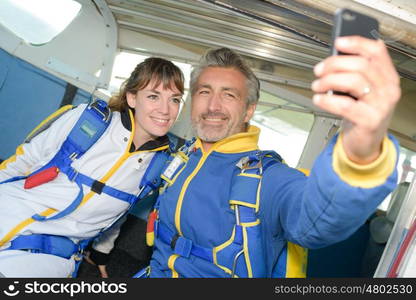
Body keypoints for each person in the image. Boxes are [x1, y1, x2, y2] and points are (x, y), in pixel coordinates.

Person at [144, 36, 401, 277]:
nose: (213, 106)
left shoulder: (267, 178)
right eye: (204, 92)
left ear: (248, 111)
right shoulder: (184, 156)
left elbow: (316, 220)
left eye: (229, 95)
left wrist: (361, 152)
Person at [0, 57, 185, 277]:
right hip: (10, 210)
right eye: (154, 96)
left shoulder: (159, 167)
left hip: (49, 253)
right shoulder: (86, 120)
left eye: (174, 99)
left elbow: (119, 212)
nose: (165, 110)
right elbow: (22, 160)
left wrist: (101, 253)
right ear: (132, 97)